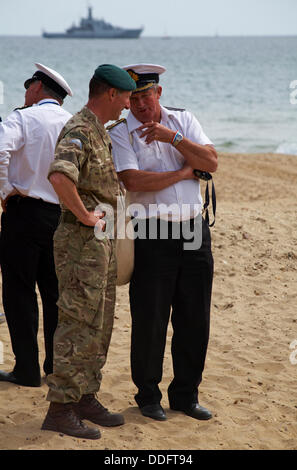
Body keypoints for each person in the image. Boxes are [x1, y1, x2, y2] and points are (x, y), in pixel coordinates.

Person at [108, 63, 217, 422]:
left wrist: (173, 139)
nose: (140, 104)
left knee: (194, 318)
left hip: (193, 230)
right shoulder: (121, 132)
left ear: (159, 93)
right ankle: (148, 395)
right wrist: (185, 172)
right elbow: (133, 181)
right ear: (126, 102)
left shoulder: (183, 120)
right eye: (134, 97)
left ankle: (186, 395)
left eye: (146, 95)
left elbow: (211, 162)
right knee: (150, 319)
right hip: (151, 233)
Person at [42, 64, 136, 440]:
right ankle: (60, 408)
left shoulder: (100, 131)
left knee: (99, 324)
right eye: (127, 96)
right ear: (111, 94)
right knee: (77, 325)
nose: (129, 104)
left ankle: (84, 396)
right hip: (82, 245)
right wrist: (84, 215)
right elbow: (60, 175)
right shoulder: (80, 128)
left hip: (101, 245)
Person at [0, 63, 73, 387]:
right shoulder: (73, 123)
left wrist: (5, 191)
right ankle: (55, 367)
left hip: (23, 212)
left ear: (38, 88)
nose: (26, 92)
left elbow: (0, 151)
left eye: (28, 86)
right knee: (55, 294)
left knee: (19, 293)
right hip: (61, 214)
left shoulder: (22, 117)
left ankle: (26, 369)